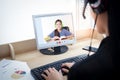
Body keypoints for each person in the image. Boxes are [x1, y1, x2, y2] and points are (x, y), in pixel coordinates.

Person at [41, 0, 120, 79]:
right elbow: (46, 38)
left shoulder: (64, 30)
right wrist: (53, 38)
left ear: (97, 8)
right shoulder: (54, 31)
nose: (58, 25)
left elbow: (71, 35)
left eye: (59, 24)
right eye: (57, 24)